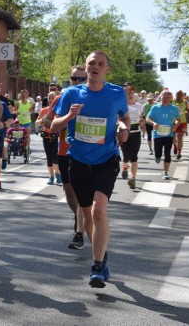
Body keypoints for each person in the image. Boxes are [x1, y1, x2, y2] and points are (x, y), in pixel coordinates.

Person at [51, 51, 130, 288]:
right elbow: (53, 127)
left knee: (98, 211)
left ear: (107, 69)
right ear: (85, 68)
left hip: (106, 159)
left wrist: (124, 128)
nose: (95, 67)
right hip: (78, 160)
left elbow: (124, 117)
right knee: (86, 213)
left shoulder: (116, 92)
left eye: (100, 64)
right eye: (91, 64)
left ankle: (96, 265)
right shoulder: (71, 93)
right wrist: (69, 115)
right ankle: (102, 254)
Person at [43, 65, 88, 250]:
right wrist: (57, 125)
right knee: (70, 193)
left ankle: (79, 233)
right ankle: (79, 216)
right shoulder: (63, 97)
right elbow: (48, 120)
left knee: (82, 193)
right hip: (65, 151)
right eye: (73, 78)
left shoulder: (94, 98)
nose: (76, 82)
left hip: (87, 152)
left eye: (80, 79)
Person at [145, 89, 180, 180]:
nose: (165, 99)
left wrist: (176, 125)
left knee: (167, 153)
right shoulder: (155, 107)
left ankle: (165, 172)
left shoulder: (174, 108)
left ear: (171, 98)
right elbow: (148, 118)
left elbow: (178, 119)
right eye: (164, 97)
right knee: (158, 154)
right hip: (157, 135)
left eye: (168, 97)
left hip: (169, 134)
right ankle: (157, 156)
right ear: (160, 97)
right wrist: (153, 123)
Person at [120, 89, 143, 189]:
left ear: (134, 94)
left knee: (134, 156)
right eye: (127, 94)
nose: (129, 95)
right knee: (126, 155)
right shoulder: (121, 106)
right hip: (124, 132)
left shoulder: (139, 106)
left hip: (136, 132)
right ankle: (125, 166)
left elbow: (141, 117)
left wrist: (142, 121)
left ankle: (133, 179)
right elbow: (118, 118)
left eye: (131, 93)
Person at [36, 91, 60, 185]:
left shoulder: (59, 110)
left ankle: (57, 174)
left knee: (55, 156)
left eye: (52, 98)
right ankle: (51, 176)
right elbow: (36, 122)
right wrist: (42, 120)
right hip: (46, 135)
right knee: (49, 158)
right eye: (49, 98)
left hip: (56, 135)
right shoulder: (44, 110)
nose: (50, 100)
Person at [171, 90, 189, 160]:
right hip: (173, 122)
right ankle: (175, 146)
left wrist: (187, 121)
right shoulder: (172, 101)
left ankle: (179, 152)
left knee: (180, 138)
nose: (179, 96)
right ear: (175, 95)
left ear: (183, 96)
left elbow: (188, 111)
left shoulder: (185, 102)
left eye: (180, 95)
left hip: (182, 122)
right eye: (177, 95)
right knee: (173, 137)